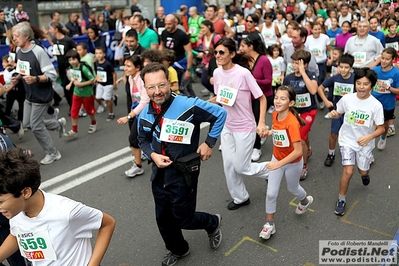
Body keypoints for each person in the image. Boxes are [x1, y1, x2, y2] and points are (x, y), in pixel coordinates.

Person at [137, 62, 226, 266]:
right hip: (159, 174)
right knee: (163, 218)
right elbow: (141, 140)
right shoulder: (145, 113)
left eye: (161, 85)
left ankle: (212, 222)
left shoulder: (188, 105)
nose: (157, 92)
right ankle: (179, 249)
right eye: (151, 87)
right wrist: (152, 155)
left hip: (183, 172)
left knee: (183, 218)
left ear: (169, 83)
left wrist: (209, 143)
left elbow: (220, 114)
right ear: (145, 88)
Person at [0, 148, 115, 265]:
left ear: (25, 193)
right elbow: (17, 235)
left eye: (0, 202)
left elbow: (108, 223)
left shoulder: (65, 212)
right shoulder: (16, 211)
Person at [210, 38, 270, 210]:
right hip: (227, 126)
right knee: (229, 165)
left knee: (241, 166)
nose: (218, 55)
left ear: (232, 54)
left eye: (222, 52)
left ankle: (271, 171)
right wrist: (201, 104)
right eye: (215, 52)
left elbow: (261, 97)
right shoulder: (217, 73)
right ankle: (240, 197)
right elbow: (220, 98)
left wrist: (262, 123)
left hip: (245, 126)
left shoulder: (243, 73)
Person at [259, 85, 314, 240]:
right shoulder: (275, 114)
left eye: (282, 99)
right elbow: (279, 133)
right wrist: (269, 132)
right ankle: (269, 224)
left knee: (293, 188)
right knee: (271, 193)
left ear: (291, 103)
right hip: (277, 157)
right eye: (276, 97)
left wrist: (278, 164)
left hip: (292, 162)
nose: (277, 101)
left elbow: (297, 151)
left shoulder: (292, 122)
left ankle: (304, 201)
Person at [329, 68, 384, 216]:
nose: (361, 87)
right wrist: (334, 114)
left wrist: (369, 137)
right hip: (347, 140)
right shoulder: (347, 99)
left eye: (365, 84)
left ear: (371, 85)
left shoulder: (376, 105)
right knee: (348, 171)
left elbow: (381, 129)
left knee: (362, 170)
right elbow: (338, 113)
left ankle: (365, 174)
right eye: (358, 83)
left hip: (365, 145)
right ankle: (341, 200)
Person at [11, 22, 66, 165]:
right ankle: (58, 124)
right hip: (29, 94)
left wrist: (35, 78)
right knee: (28, 123)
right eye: (13, 36)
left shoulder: (38, 52)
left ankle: (53, 153)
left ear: (27, 36)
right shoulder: (18, 50)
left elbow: (52, 75)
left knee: (36, 126)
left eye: (17, 36)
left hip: (41, 95)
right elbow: (22, 69)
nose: (14, 39)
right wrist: (18, 77)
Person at [282, 50, 318, 180]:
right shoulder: (288, 77)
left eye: (297, 63)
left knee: (300, 138)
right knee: (304, 135)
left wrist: (303, 73)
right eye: (293, 62)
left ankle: (303, 166)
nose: (294, 65)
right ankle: (307, 150)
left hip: (308, 111)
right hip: (294, 111)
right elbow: (283, 93)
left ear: (305, 64)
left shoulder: (311, 75)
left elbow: (313, 90)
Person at [318, 53, 355, 167]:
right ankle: (331, 154)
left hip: (351, 111)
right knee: (334, 134)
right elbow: (320, 88)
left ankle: (355, 153)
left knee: (353, 133)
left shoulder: (355, 79)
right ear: (338, 66)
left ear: (351, 68)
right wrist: (326, 101)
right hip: (337, 110)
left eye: (346, 67)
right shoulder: (335, 78)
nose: (343, 70)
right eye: (341, 67)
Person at [239, 35, 273, 161]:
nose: (240, 48)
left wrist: (253, 81)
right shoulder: (243, 59)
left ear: (251, 46)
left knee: (256, 120)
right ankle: (262, 133)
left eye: (243, 46)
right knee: (250, 120)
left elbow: (269, 81)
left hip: (264, 96)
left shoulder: (264, 60)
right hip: (249, 96)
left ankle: (256, 147)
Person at [116, 55, 150, 177]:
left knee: (133, 138)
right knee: (137, 137)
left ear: (138, 67)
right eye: (125, 65)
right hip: (138, 112)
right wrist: (132, 111)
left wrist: (129, 116)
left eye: (128, 66)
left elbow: (145, 101)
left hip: (148, 112)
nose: (125, 68)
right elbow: (134, 97)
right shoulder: (131, 78)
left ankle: (138, 166)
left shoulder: (142, 79)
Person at [64, 49, 97, 137]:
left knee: (90, 111)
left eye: (74, 59)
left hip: (87, 94)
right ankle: (74, 130)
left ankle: (93, 123)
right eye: (70, 60)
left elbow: (93, 80)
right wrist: (70, 84)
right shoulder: (70, 68)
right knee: (73, 111)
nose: (72, 62)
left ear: (78, 59)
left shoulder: (84, 68)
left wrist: (81, 84)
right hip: (77, 93)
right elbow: (73, 78)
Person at [371, 48, 399, 150]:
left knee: (384, 125)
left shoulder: (396, 73)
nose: (384, 61)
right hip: (373, 102)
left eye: (387, 59)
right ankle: (370, 153)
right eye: (382, 58)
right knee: (372, 127)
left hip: (387, 104)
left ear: (393, 60)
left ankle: (383, 137)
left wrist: (387, 87)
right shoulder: (375, 70)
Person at [160, 14, 193, 94]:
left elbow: (189, 52)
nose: (167, 26)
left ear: (176, 22)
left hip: (180, 65)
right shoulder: (164, 33)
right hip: (168, 64)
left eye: (169, 24)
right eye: (166, 24)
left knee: (183, 88)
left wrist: (188, 70)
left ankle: (193, 103)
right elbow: (161, 46)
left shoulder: (182, 35)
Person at [49, 22, 76, 110]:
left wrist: (71, 58)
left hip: (68, 66)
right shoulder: (54, 40)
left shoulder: (67, 40)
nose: (50, 31)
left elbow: (75, 50)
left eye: (51, 29)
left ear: (56, 29)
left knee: (70, 86)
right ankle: (71, 105)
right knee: (64, 86)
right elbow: (55, 48)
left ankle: (74, 106)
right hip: (60, 66)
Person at [198, 20, 221, 96]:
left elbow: (219, 51)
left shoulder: (216, 37)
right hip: (205, 62)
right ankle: (214, 92)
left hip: (214, 63)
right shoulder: (203, 37)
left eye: (203, 28)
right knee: (204, 80)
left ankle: (217, 94)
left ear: (209, 27)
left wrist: (209, 63)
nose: (202, 30)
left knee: (214, 80)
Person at [306, 22, 332, 87]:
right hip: (311, 65)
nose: (317, 31)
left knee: (320, 82)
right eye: (315, 29)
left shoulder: (325, 38)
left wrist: (330, 59)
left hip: (322, 64)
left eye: (319, 29)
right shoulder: (308, 39)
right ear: (311, 30)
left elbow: (330, 49)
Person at [94, 46, 116, 120]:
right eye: (96, 53)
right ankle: (104, 104)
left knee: (107, 99)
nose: (98, 55)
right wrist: (96, 79)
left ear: (104, 54)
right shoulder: (96, 63)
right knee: (97, 97)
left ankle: (111, 113)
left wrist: (114, 83)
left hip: (108, 84)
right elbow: (98, 72)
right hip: (100, 83)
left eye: (100, 53)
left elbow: (114, 73)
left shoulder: (107, 64)